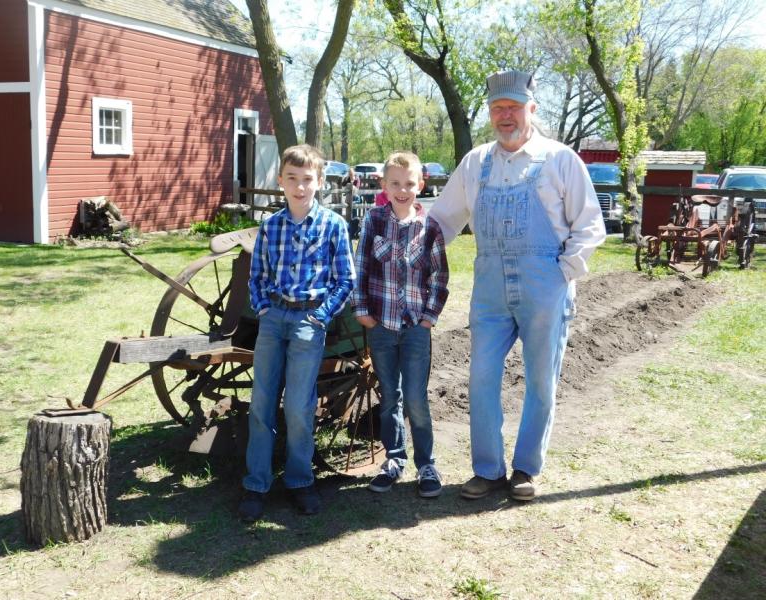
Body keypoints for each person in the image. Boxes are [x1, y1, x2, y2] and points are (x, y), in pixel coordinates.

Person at [429, 70, 605, 501]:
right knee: (481, 377)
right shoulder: (476, 163)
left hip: (544, 284)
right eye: (497, 109)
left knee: (541, 380)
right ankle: (488, 469)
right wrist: (399, 233)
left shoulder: (560, 160)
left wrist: (562, 272)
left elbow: (589, 225)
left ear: (531, 109)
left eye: (512, 107)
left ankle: (525, 468)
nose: (505, 116)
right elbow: (440, 222)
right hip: (489, 286)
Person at [239, 144, 356, 522]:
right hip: (274, 320)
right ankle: (257, 484)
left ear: (319, 182)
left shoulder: (333, 225)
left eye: (307, 179)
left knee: (299, 406)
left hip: (309, 320)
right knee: (261, 401)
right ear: (280, 182)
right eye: (292, 179)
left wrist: (320, 315)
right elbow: (257, 276)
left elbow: (345, 279)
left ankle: (299, 481)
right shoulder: (271, 226)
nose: (300, 186)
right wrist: (264, 308)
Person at [353, 151, 450, 498]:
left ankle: (427, 463)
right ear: (383, 185)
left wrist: (429, 318)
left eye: (409, 183)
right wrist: (361, 308)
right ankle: (394, 458)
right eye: (395, 183)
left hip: (414, 329)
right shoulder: (374, 221)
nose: (402, 190)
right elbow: (361, 266)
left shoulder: (429, 228)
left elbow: (439, 276)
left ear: (420, 185)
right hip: (381, 325)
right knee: (389, 397)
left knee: (415, 398)